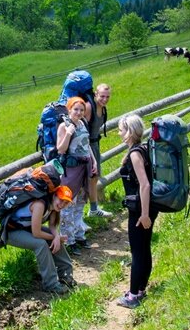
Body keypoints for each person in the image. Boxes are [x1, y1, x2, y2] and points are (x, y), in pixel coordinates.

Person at [116, 113, 158, 308]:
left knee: (137, 251)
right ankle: (140, 289)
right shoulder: (142, 149)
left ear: (129, 132)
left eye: (121, 130)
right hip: (146, 207)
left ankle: (133, 296)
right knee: (144, 247)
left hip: (141, 209)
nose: (119, 133)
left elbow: (145, 185)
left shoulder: (135, 154)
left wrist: (144, 214)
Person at [4, 184, 75, 294]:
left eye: (66, 203)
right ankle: (51, 284)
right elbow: (36, 233)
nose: (62, 204)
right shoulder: (40, 205)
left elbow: (52, 226)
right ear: (54, 196)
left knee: (54, 239)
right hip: (11, 232)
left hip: (26, 228)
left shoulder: (53, 207)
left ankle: (66, 275)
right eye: (61, 200)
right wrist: (55, 238)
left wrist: (56, 237)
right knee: (40, 244)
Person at [57, 96, 96, 255]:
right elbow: (60, 149)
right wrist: (68, 133)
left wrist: (93, 162)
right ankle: (68, 241)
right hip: (71, 171)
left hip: (84, 167)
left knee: (80, 202)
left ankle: (79, 235)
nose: (79, 112)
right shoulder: (63, 126)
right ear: (69, 109)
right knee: (67, 205)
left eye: (81, 110)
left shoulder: (83, 123)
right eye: (76, 110)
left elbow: (87, 145)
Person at [87, 83, 112, 218]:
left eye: (107, 96)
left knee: (94, 178)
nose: (105, 99)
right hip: (86, 147)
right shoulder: (89, 107)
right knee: (87, 179)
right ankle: (89, 211)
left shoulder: (102, 108)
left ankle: (93, 209)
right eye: (102, 96)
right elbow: (81, 131)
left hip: (95, 145)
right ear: (96, 94)